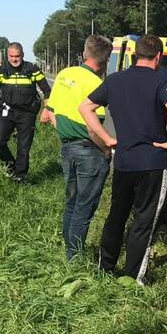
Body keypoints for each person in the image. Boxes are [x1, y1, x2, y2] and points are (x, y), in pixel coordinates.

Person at [79, 35, 167, 284]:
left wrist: (107, 138)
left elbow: (85, 108)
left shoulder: (115, 80)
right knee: (144, 220)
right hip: (153, 162)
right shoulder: (162, 79)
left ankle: (106, 267)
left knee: (117, 215)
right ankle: (133, 276)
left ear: (136, 54)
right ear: (158, 56)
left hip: (124, 161)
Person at [41, 34, 114, 261]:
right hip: (89, 151)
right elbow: (93, 128)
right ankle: (74, 259)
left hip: (67, 148)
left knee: (71, 203)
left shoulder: (64, 74)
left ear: (84, 53)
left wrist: (65, 131)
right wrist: (106, 149)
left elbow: (48, 114)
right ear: (106, 60)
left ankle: (68, 252)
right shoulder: (96, 84)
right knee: (85, 207)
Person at [0, 42, 50, 181]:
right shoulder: (1, 70)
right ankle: (11, 165)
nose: (14, 59)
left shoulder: (32, 69)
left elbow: (47, 91)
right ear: (7, 55)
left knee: (23, 148)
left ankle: (20, 177)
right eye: (11, 56)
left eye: (17, 56)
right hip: (7, 111)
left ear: (23, 55)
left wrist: (46, 110)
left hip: (27, 113)